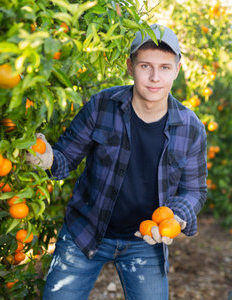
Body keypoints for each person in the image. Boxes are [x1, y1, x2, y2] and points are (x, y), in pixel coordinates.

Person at [26, 24, 208, 300]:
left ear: (177, 70)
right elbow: (65, 158)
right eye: (146, 66)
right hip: (87, 230)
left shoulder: (190, 126)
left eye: (165, 68)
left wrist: (176, 217)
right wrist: (49, 158)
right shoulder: (102, 106)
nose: (155, 77)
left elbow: (194, 190)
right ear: (129, 66)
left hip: (146, 241)